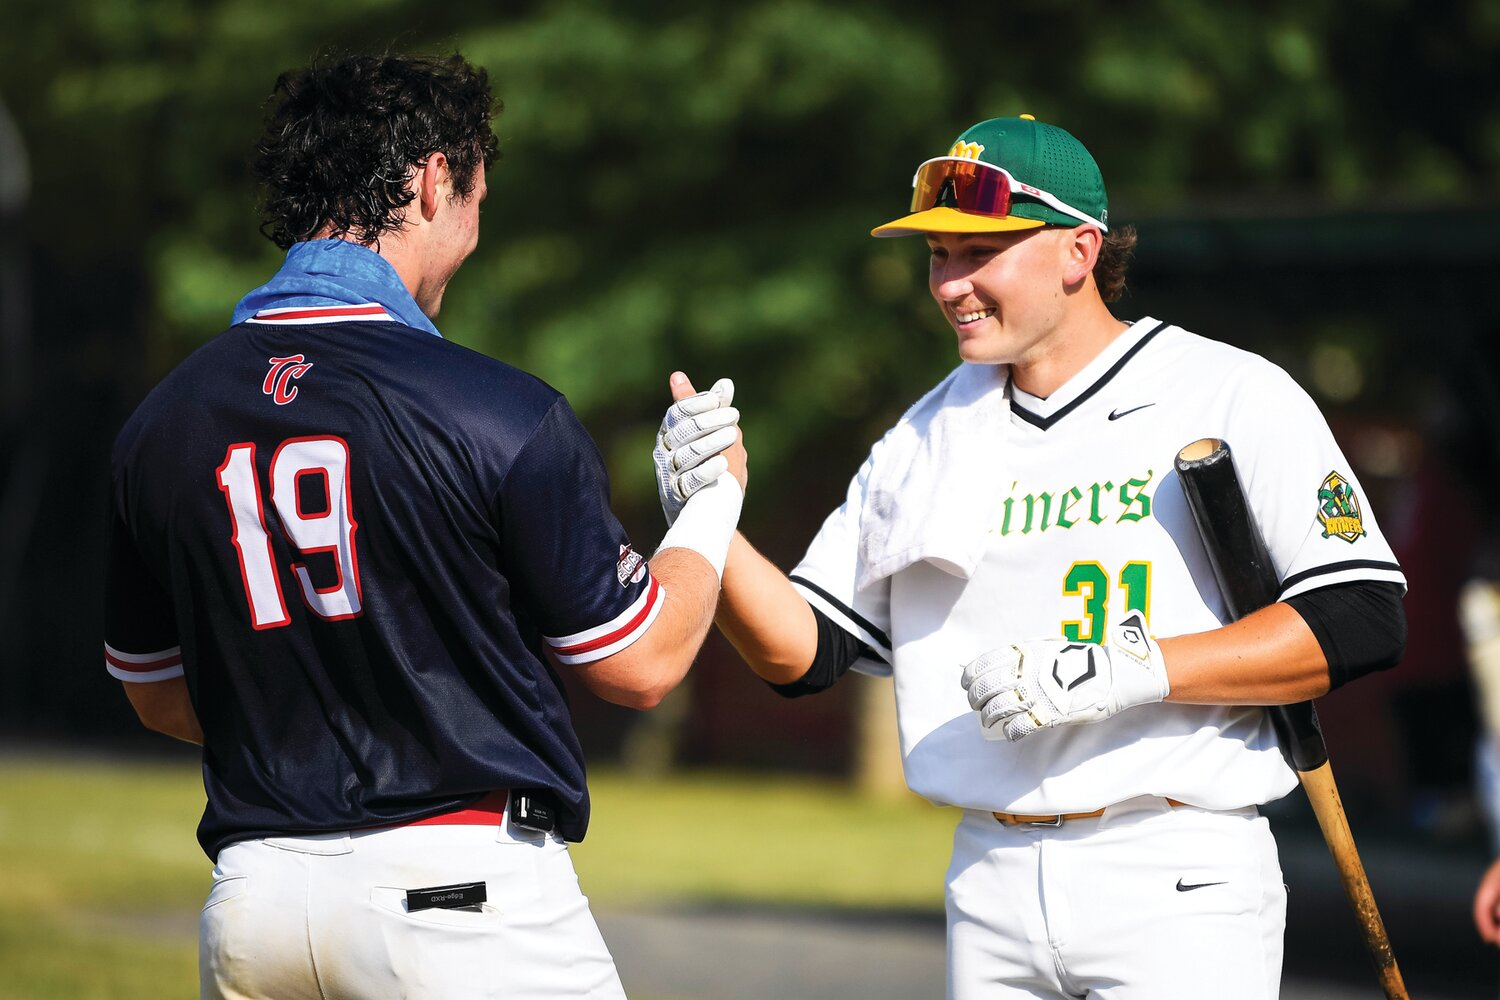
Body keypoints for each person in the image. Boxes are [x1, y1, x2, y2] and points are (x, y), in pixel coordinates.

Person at [657, 116, 1408, 998]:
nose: (950, 283)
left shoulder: (1226, 392)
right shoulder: (924, 434)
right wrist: (712, 519)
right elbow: (808, 652)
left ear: (1078, 251)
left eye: (981, 251)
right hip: (990, 877)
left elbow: (1360, 615)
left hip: (1175, 870)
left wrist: (1133, 668)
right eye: (938, 254)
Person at [103, 53, 744, 1000]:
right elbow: (640, 664)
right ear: (435, 178)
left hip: (254, 900)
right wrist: (711, 505)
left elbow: (159, 696)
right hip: (460, 902)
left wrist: (332, 714)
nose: (479, 220)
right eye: (479, 190)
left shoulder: (158, 423)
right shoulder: (499, 411)